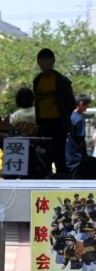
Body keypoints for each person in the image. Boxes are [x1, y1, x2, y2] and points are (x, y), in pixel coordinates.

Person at [33, 48, 76, 177]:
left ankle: (62, 179)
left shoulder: (62, 81)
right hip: (43, 123)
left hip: (58, 122)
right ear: (38, 63)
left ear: (53, 61)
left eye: (47, 61)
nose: (44, 64)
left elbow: (71, 103)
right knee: (43, 154)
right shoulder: (37, 80)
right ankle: (45, 178)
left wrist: (64, 117)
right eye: (41, 61)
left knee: (59, 154)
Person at [66, 94, 96, 178]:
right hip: (77, 159)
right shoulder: (79, 120)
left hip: (68, 156)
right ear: (81, 104)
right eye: (86, 105)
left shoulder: (69, 116)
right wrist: (85, 157)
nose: (87, 107)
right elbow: (80, 141)